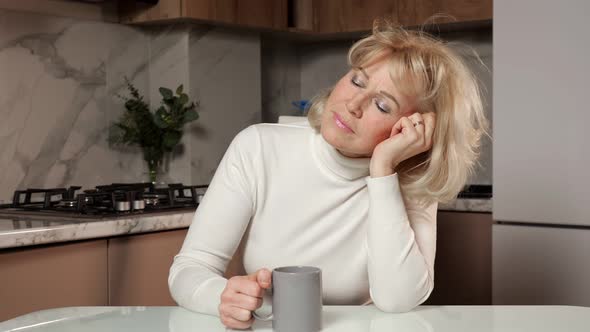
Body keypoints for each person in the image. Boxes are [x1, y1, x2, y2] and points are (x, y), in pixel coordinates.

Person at [168, 20, 488, 330]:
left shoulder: (408, 181)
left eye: (382, 105)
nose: (353, 104)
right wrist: (223, 297)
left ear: (412, 130)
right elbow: (189, 269)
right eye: (357, 81)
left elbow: (398, 300)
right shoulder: (258, 147)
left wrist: (382, 171)